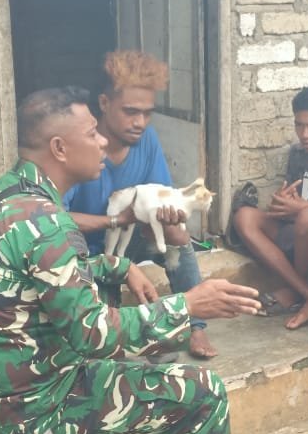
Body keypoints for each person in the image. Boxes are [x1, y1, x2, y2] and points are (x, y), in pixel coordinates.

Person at [0, 86, 291, 434]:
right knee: (204, 393)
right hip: (28, 406)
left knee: (114, 346)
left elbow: (42, 277)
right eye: (92, 133)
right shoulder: (48, 224)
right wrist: (187, 305)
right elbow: (94, 333)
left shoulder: (3, 195)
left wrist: (117, 265)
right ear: (60, 148)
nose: (103, 143)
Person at [64, 50, 217, 358]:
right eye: (131, 111)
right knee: (99, 345)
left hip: (128, 239)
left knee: (176, 234)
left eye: (147, 113)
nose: (140, 122)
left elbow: (158, 196)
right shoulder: (79, 146)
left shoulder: (147, 140)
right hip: (84, 251)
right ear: (104, 103)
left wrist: (168, 218)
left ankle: (194, 326)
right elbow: (53, 220)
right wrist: (115, 221)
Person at [230, 84, 308, 330]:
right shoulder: (300, 154)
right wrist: (282, 204)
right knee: (244, 217)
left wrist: (303, 209)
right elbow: (294, 206)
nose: (305, 134)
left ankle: (295, 292)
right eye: (298, 125)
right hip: (300, 235)